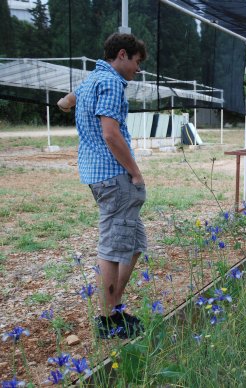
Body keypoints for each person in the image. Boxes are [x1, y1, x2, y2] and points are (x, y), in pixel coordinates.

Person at [57, 33, 148, 339]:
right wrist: (135, 172)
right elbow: (110, 134)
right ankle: (107, 319)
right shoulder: (109, 83)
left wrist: (70, 105)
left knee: (135, 243)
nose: (137, 69)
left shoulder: (90, 81)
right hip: (114, 176)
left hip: (97, 174)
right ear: (122, 55)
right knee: (111, 248)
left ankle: (114, 306)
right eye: (136, 62)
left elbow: (63, 102)